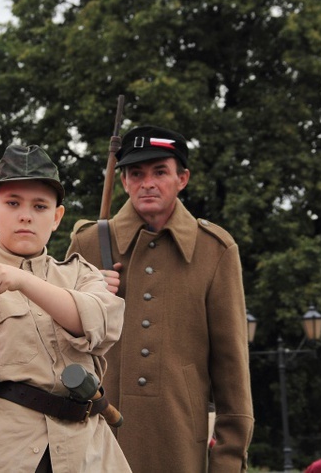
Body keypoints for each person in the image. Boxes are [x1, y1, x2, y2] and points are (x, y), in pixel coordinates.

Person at [0, 144, 131, 472]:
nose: (25, 215)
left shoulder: (81, 274)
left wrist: (21, 281)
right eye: (12, 203)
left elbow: (101, 326)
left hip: (85, 454)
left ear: (56, 216)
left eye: (39, 206)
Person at [66, 125, 254, 472]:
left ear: (182, 178)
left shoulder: (215, 250)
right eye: (136, 173)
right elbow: (61, 349)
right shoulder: (88, 243)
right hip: (94, 443)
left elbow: (232, 373)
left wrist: (228, 461)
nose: (147, 183)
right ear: (123, 182)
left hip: (178, 446)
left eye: (160, 172)